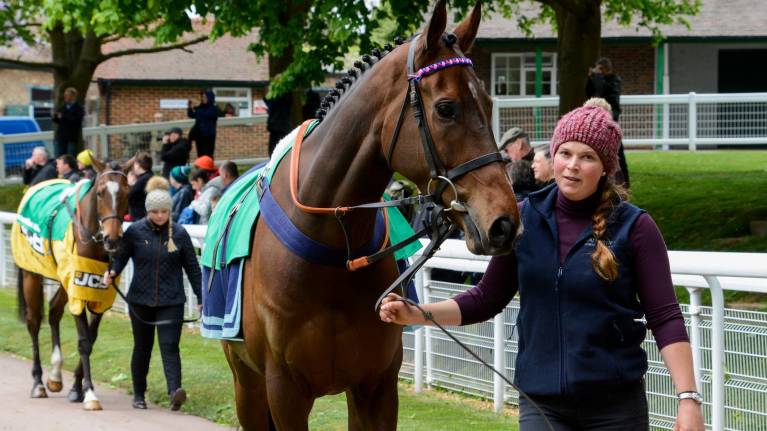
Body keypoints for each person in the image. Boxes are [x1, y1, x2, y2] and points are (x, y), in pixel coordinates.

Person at [380, 98, 704, 431]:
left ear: (606, 166)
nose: (572, 165)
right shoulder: (525, 218)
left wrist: (688, 398)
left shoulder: (636, 228)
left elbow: (665, 317)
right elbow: (486, 298)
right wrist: (418, 313)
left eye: (587, 157)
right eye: (565, 153)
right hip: (542, 405)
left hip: (616, 408)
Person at [103, 176, 202, 412]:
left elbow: (193, 269)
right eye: (155, 212)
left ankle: (174, 392)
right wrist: (113, 272)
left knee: (170, 346)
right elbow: (122, 258)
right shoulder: (135, 232)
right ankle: (139, 394)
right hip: (140, 300)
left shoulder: (179, 234)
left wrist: (202, 299)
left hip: (172, 300)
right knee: (142, 347)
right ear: (148, 211)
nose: (160, 216)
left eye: (164, 211)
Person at [586, 57, 630, 189]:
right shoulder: (598, 79)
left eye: (600, 69)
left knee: (618, 153)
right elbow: (589, 92)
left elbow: (603, 89)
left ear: (606, 69)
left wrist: (598, 77)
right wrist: (590, 78)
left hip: (610, 118)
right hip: (597, 118)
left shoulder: (614, 80)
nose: (598, 71)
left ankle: (624, 184)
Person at [499, 127, 539, 200]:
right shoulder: (507, 163)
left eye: (506, 150)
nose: (507, 154)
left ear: (519, 144)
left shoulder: (540, 162)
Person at [52, 87, 85, 157]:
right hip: (61, 137)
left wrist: (63, 116)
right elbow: (57, 121)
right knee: (59, 157)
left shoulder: (79, 108)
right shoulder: (62, 107)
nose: (66, 97)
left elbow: (76, 121)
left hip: (71, 138)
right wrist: (55, 116)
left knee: (70, 158)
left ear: (73, 96)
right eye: (65, 95)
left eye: (68, 95)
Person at [187, 89, 221, 158]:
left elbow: (204, 115)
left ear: (210, 97)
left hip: (208, 136)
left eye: (205, 97)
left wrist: (197, 107)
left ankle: (207, 168)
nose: (203, 98)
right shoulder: (201, 107)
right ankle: (201, 168)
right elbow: (192, 115)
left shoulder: (214, 108)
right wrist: (190, 107)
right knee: (200, 155)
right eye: (202, 97)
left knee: (208, 155)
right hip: (199, 135)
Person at [127, 152, 153, 221]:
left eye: (135, 164)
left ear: (138, 165)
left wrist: (130, 185)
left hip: (140, 217)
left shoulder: (143, 180)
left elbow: (129, 198)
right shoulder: (150, 176)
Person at [265, 90, 293, 156]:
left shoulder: (275, 96)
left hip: (276, 126)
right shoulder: (288, 95)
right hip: (284, 127)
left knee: (274, 149)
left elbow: (270, 107)